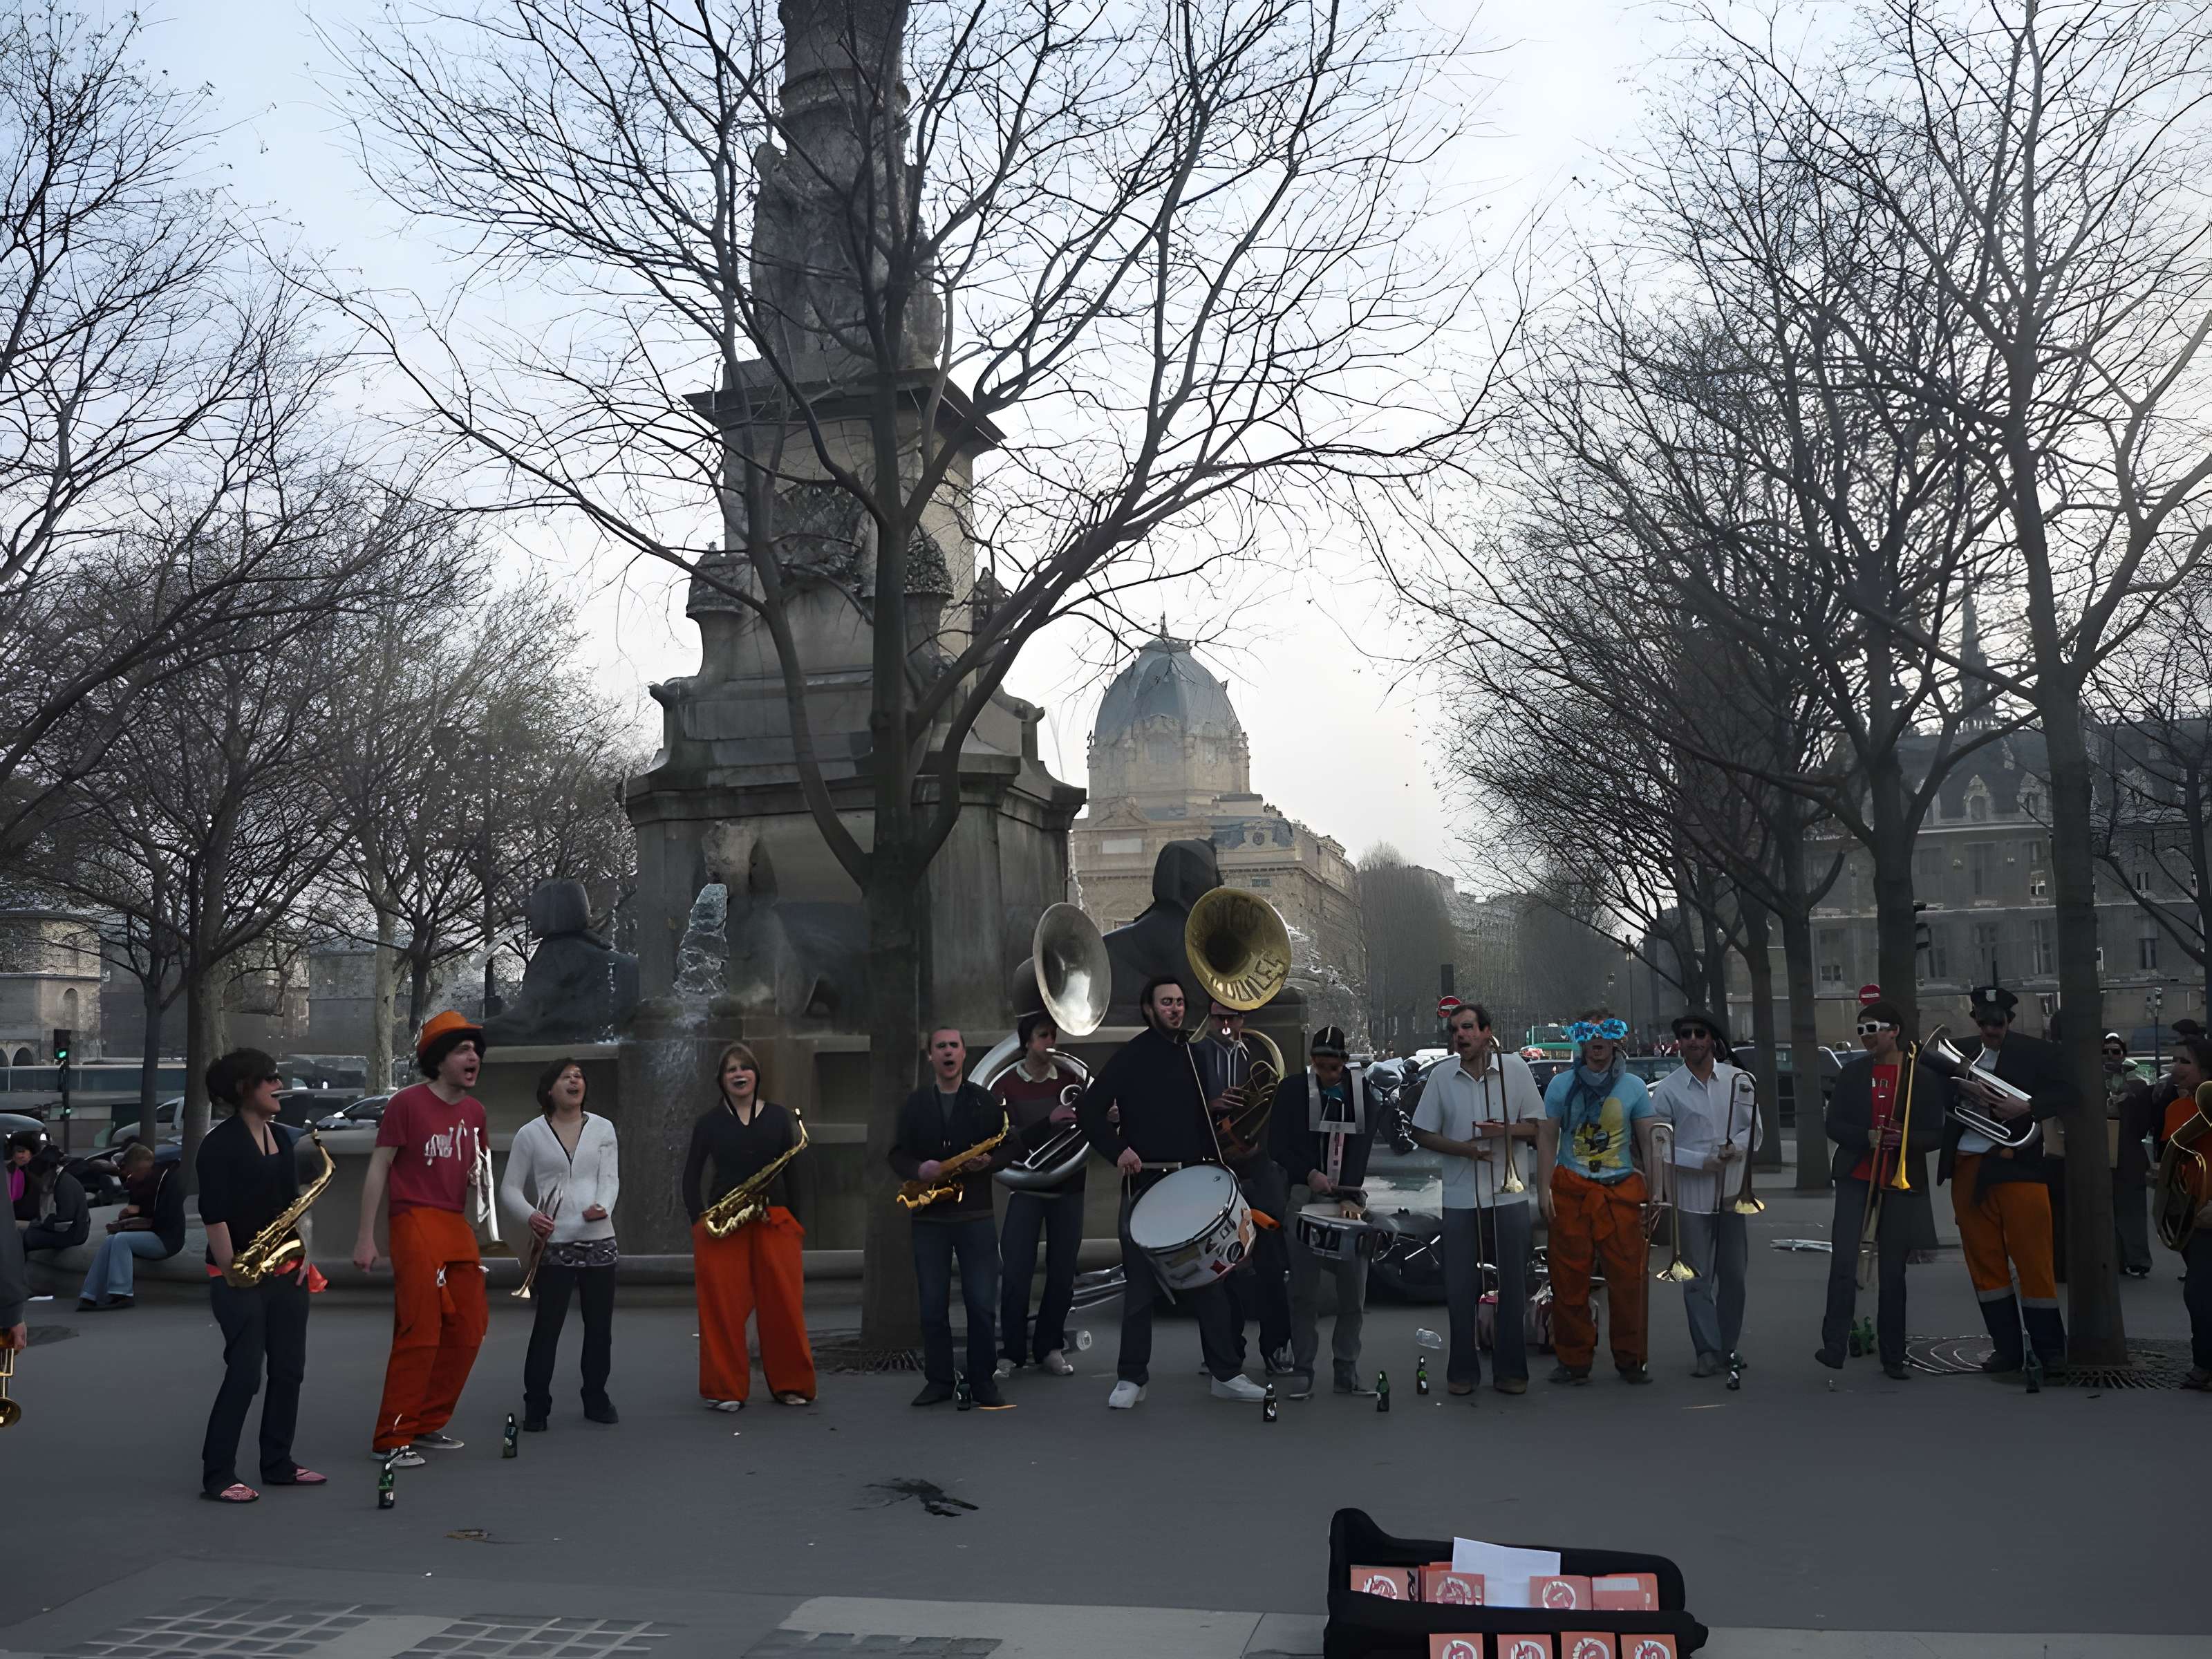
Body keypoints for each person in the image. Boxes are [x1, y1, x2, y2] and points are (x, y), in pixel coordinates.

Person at [1077, 974, 1264, 1408]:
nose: (1175, 1009)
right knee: (1140, 1286)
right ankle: (1131, 1378)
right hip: (1145, 1183)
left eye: (1179, 1002)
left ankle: (1225, 1373)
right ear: (1149, 1009)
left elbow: (1191, 1118)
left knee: (1210, 1280)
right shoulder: (1131, 1056)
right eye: (1166, 1002)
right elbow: (1088, 1111)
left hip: (1190, 1183)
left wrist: (1220, 1130)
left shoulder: (1193, 1056)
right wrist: (1118, 1150)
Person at [353, 1011, 491, 1465]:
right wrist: (366, 1237)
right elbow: (379, 1166)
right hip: (414, 1218)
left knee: (470, 1328)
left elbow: (475, 1170)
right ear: (438, 1058)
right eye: (462, 1050)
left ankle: (426, 1422)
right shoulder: (407, 1103)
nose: (473, 1057)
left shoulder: (476, 1112)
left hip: (455, 1224)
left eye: (475, 1050)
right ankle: (392, 1437)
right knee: (421, 1329)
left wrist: (476, 1185)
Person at [196, 1048, 324, 1503]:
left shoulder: (285, 1139)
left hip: (286, 1270)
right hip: (239, 1274)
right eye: (268, 1078)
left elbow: (294, 1205)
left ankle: (278, 1463)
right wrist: (234, 1271)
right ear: (242, 1088)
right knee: (246, 1374)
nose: (278, 1085)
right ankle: (218, 1475)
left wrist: (304, 1254)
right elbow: (214, 1214)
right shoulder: (219, 1145)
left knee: (289, 1370)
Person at [1408, 1002, 1544, 1399]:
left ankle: (1511, 1370)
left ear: (1487, 1032)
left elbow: (1538, 1127)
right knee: (1460, 1286)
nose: (1460, 1036)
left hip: (1509, 1192)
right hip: (1460, 1194)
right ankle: (1463, 1369)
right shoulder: (1441, 1076)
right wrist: (1465, 1150)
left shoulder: (1515, 1068)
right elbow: (1421, 1132)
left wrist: (1502, 1132)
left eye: (1468, 1028)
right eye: (1454, 1031)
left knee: (1514, 1282)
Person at [1940, 984, 2072, 1380]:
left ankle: (2051, 1352)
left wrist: (2027, 1105)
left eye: (1998, 1023)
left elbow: (2071, 1091)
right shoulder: (1957, 1052)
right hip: (1968, 1166)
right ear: (1975, 1021)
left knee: (2034, 1261)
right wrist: (1957, 1092)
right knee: (1985, 1265)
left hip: (2019, 1166)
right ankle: (2007, 1349)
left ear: (2010, 1021)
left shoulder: (2037, 1052)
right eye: (1984, 1023)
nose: (1991, 1031)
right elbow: (1931, 1094)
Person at [1817, 1003, 1947, 1380]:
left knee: (1892, 1270)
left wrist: (1905, 1138)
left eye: (1873, 1028)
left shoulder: (1919, 1077)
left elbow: (1936, 1134)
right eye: (1861, 1030)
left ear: (1895, 1031)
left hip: (1898, 1178)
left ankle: (1894, 1355)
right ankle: (1834, 1345)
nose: (1866, 1037)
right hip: (1856, 1174)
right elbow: (1833, 1124)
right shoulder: (1853, 1073)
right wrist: (1866, 1137)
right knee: (1844, 1260)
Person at [684, 1042, 814, 1412]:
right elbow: (690, 1177)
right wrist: (699, 1222)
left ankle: (791, 1385)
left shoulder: (779, 1117)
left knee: (784, 1307)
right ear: (721, 1079)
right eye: (731, 1069)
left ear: (757, 1075)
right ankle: (726, 1388)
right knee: (723, 1309)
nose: (739, 1074)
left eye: (745, 1068)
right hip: (725, 1224)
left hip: (774, 1220)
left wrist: (796, 1222)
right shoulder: (708, 1123)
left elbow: (793, 1173)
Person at [890, 1029, 1013, 1408]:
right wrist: (918, 1169)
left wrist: (990, 1162)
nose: (947, 1052)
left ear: (963, 1054)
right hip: (930, 1218)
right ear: (930, 1056)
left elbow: (1011, 1145)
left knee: (981, 1304)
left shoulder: (983, 1101)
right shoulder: (916, 1105)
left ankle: (984, 1381)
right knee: (932, 1307)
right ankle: (939, 1381)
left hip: (976, 1216)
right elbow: (896, 1154)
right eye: (940, 1047)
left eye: (953, 1046)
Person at [1537, 1011, 1658, 1384]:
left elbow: (1650, 1141)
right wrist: (1542, 1189)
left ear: (1616, 1038)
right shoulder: (1561, 1086)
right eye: (1588, 1034)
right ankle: (1574, 1360)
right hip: (1571, 1191)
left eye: (1606, 1032)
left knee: (1629, 1281)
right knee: (1568, 1280)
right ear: (1581, 1040)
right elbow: (1547, 1138)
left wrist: (1658, 1190)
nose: (1597, 1041)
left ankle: (1631, 1359)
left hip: (1620, 1193)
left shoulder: (1634, 1087)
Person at [501, 1057, 620, 1431]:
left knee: (599, 1328)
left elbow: (611, 1178)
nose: (574, 1081)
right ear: (550, 1089)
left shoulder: (603, 1128)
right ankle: (536, 1405)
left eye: (579, 1076)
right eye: (566, 1077)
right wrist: (531, 1216)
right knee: (547, 1327)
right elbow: (509, 1189)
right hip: (554, 1243)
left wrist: (604, 1206)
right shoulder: (530, 1134)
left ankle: (596, 1398)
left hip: (599, 1241)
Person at [1273, 1024, 1382, 1400]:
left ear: (1345, 1062)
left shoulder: (1362, 1093)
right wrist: (1308, 1173)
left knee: (1353, 1291)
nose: (1327, 1075)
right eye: (1320, 1067)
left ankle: (1346, 1369)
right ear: (1312, 1062)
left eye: (1334, 1068)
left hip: (1347, 1197)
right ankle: (1304, 1369)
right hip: (1305, 1194)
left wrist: (1350, 1193)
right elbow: (1277, 1145)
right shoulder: (1292, 1090)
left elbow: (1361, 1148)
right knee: (1304, 1291)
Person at [1650, 1011, 1762, 1376]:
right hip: (1692, 1196)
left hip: (1732, 1191)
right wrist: (1702, 1161)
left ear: (1712, 1039)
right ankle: (1707, 1351)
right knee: (1696, 1279)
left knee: (1734, 1277)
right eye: (1686, 1035)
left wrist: (1735, 1149)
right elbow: (1660, 1147)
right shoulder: (1667, 1090)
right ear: (1679, 1042)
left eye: (1700, 1033)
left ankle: (1729, 1347)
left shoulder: (1739, 1080)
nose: (1693, 1040)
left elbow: (1754, 1130)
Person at [1190, 997, 1293, 1377]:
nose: (1225, 1024)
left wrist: (1258, 1144)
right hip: (1214, 1169)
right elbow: (1179, 1110)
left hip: (1259, 1169)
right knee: (1217, 1267)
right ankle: (1223, 1351)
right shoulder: (1193, 1057)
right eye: (1218, 1017)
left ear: (1243, 1017)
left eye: (1232, 1017)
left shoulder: (1262, 1053)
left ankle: (1276, 1346)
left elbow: (1276, 1107)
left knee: (1271, 1265)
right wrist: (1211, 1105)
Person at [992, 1011, 1084, 1378]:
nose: (1051, 1042)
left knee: (1063, 1274)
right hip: (1027, 1187)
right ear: (1027, 1042)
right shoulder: (1005, 1085)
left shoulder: (1072, 1079)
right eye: (1044, 1035)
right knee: (1016, 1273)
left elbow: (1088, 1127)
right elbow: (1004, 1139)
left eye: (1053, 1035)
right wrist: (1048, 1121)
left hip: (1068, 1186)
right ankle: (1011, 1352)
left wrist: (1105, 1116)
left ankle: (1050, 1347)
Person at [2159, 1038, 2212, 1389]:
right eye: (2174, 1060)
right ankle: (2204, 1363)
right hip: (2195, 1211)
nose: (2176, 1067)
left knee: (2200, 1291)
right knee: (2200, 1292)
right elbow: (2174, 1159)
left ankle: (2205, 1365)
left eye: (2185, 1061)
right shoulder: (2177, 1109)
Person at [77, 1143, 187, 1310]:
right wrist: (124, 1220)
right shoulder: (140, 1182)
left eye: (132, 1173)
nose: (130, 1178)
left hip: (167, 1240)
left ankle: (122, 1294)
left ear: (143, 1168)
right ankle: (89, 1294)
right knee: (110, 1240)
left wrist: (131, 1222)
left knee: (121, 1240)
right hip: (152, 1234)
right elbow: (142, 1213)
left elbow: (162, 1219)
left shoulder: (170, 1181)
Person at [2103, 1033, 2155, 1279]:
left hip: (2129, 1154)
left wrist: (2126, 1099)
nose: (2110, 1056)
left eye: (2116, 1051)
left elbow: (2144, 1120)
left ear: (2124, 1055)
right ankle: (2115, 1259)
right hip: (2101, 1153)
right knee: (2105, 1211)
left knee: (2132, 1211)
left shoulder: (2137, 1084)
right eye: (2106, 1051)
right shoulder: (2092, 1081)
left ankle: (2137, 1260)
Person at [15, 1147, 88, 1254]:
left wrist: (39, 1223)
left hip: (73, 1234)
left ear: (45, 1175)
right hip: (71, 1228)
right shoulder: (58, 1180)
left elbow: (64, 1223)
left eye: (36, 1181)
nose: (37, 1185)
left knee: (27, 1237)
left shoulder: (64, 1186)